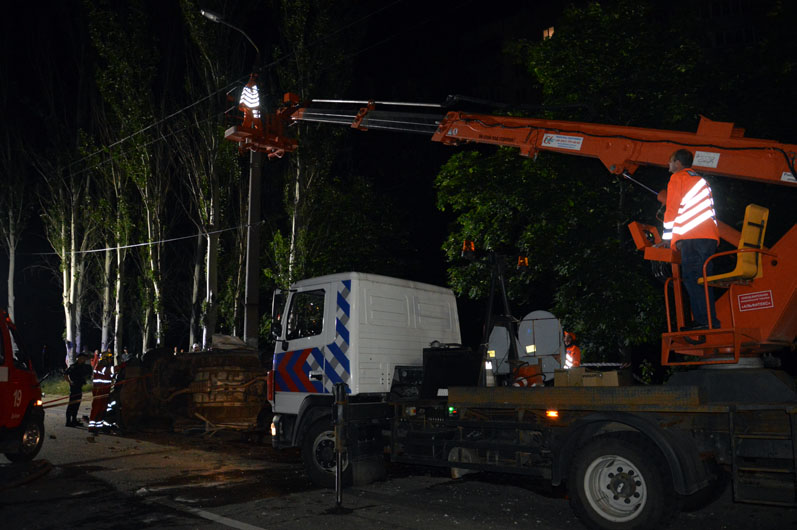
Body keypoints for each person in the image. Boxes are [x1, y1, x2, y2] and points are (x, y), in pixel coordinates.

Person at [662, 149, 721, 330]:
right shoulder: (701, 180)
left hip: (693, 239)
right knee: (703, 280)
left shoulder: (677, 178)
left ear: (678, 163)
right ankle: (709, 321)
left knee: (693, 279)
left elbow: (671, 210)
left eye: (671, 161)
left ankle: (704, 322)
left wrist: (667, 238)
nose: (668, 165)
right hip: (708, 237)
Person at [89, 352, 115, 434]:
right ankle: (92, 427)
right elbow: (110, 371)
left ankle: (98, 426)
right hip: (99, 391)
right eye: (109, 358)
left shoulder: (106, 367)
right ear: (105, 359)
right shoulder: (100, 367)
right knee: (97, 409)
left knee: (102, 409)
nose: (111, 360)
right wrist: (122, 365)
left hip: (105, 391)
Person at [64, 352, 92, 427]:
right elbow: (66, 374)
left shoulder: (82, 366)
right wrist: (70, 382)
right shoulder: (74, 366)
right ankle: (68, 421)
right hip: (74, 388)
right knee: (72, 405)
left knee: (77, 405)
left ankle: (74, 420)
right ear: (79, 358)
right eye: (83, 358)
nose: (84, 360)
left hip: (79, 388)